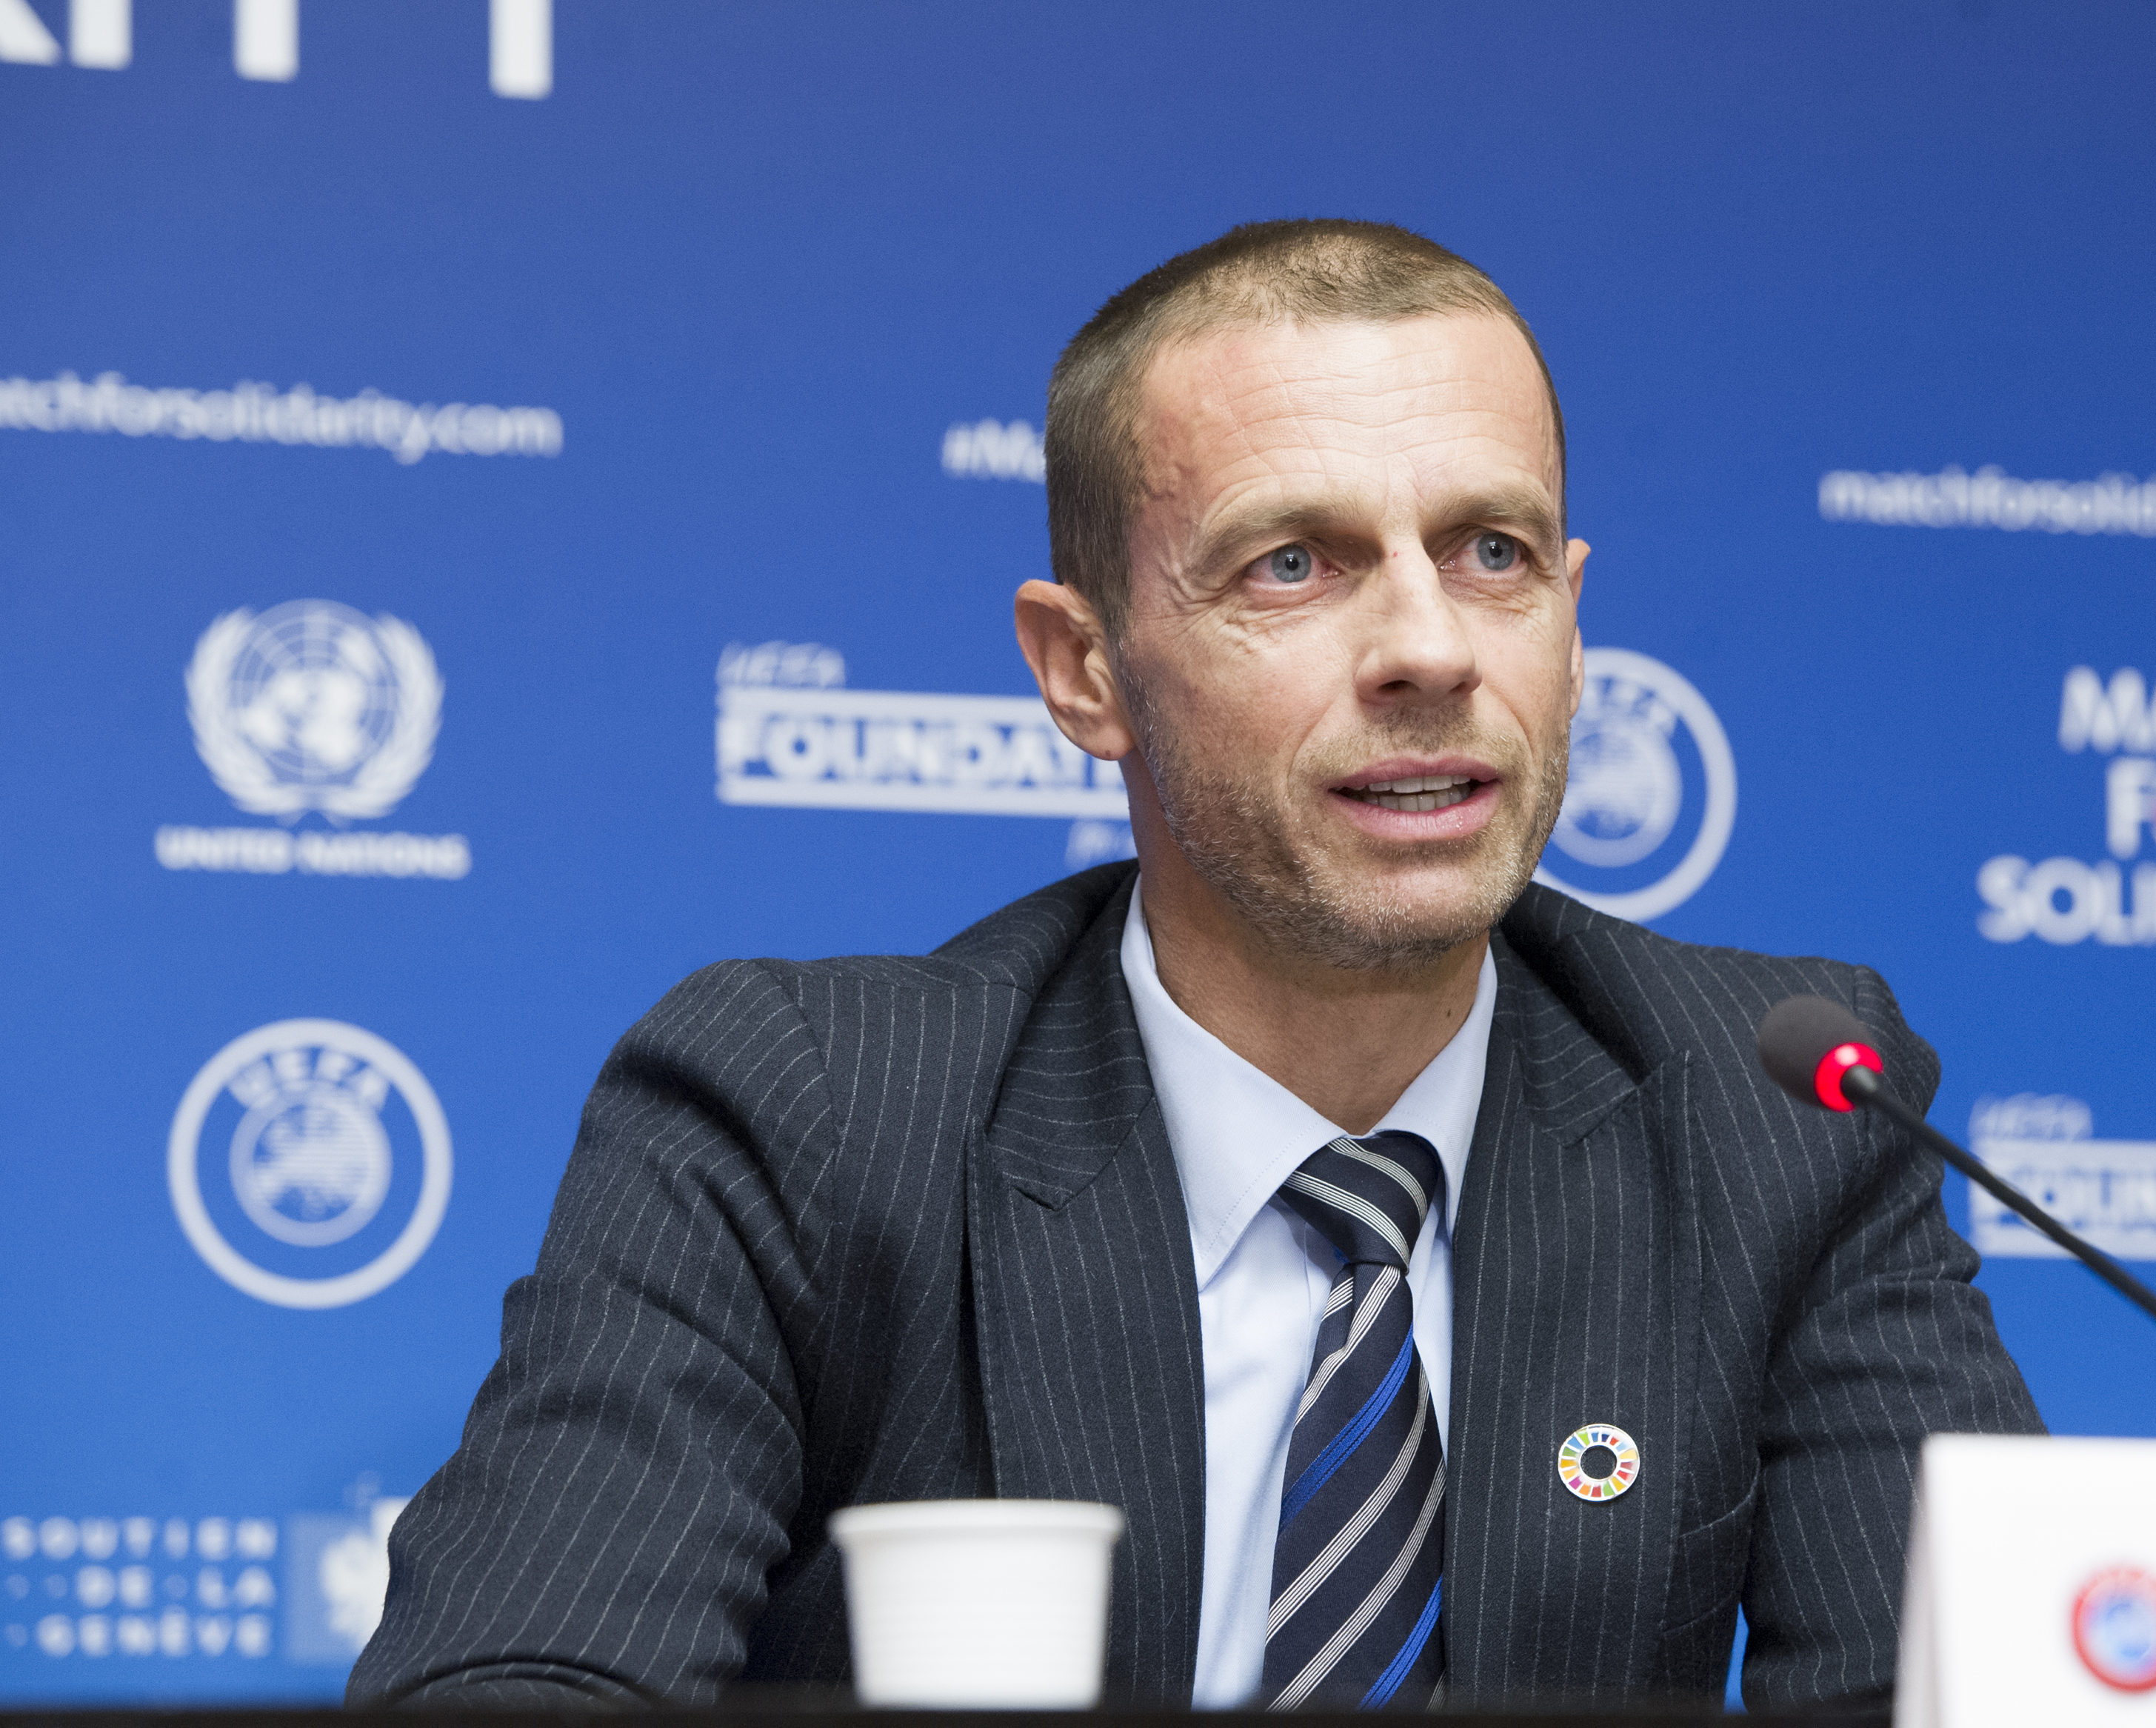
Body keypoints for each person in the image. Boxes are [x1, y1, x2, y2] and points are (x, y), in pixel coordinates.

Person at [350, 219, 2040, 1715]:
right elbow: (520, 1670)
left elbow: (1955, 1695)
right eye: (1292, 564)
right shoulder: (800, 1114)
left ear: (1572, 618)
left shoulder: (1776, 1113)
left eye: (1493, 554)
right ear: (1083, 669)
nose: (1430, 650)